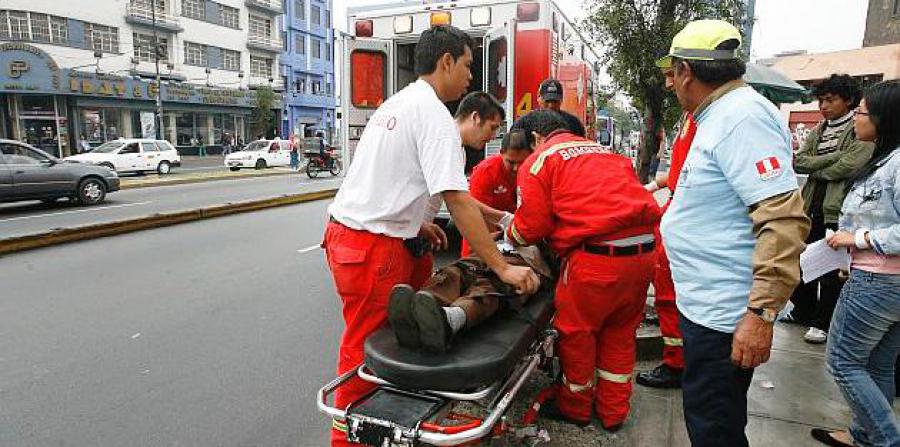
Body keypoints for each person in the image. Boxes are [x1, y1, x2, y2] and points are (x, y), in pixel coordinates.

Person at [323, 25, 539, 447]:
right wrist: (501, 267)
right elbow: (458, 200)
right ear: (446, 62)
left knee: (379, 340)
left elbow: (383, 182)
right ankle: (346, 439)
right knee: (365, 351)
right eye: (468, 65)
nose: (471, 77)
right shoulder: (436, 116)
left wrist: (414, 222)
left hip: (350, 236)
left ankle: (389, 426)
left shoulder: (398, 104)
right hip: (372, 248)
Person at [656, 20, 810, 446]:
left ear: (687, 72)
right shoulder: (721, 115)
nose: (671, 85)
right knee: (710, 417)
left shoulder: (742, 117)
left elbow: (782, 221)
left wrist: (761, 315)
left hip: (724, 315)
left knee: (715, 428)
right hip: (707, 308)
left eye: (673, 74)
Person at [506, 109, 661, 431]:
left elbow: (531, 227)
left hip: (595, 262)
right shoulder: (608, 154)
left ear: (536, 137)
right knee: (619, 332)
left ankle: (575, 407)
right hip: (644, 254)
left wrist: (510, 235)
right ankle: (613, 413)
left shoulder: (542, 160)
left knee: (578, 333)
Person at [810, 79, 900, 447]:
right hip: (879, 279)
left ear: (884, 118)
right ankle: (864, 434)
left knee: (843, 363)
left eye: (861, 112)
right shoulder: (884, 159)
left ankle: (885, 439)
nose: (855, 119)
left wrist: (857, 240)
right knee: (877, 365)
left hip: (879, 282)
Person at [789, 74, 874, 344]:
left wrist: (822, 166)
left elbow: (851, 164)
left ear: (847, 100)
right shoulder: (820, 129)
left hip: (837, 209)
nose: (823, 106)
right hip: (810, 205)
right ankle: (802, 311)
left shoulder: (858, 127)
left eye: (830, 100)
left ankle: (821, 323)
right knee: (801, 261)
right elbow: (799, 162)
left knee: (830, 268)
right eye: (821, 100)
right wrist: (834, 158)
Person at [413, 91, 508, 291]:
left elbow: (460, 199)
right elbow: (458, 204)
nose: (493, 137)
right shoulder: (445, 139)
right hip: (394, 239)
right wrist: (503, 267)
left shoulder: (458, 148)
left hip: (415, 237)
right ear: (475, 118)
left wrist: (419, 225)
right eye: (492, 127)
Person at [389, 241, 554, 352]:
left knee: (490, 287)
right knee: (452, 273)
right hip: (490, 251)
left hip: (525, 262)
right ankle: (415, 313)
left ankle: (449, 320)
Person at [636, 108, 697, 389]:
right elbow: (680, 170)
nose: (670, 81)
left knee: (669, 295)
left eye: (674, 72)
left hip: (685, 212)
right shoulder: (692, 115)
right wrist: (654, 184)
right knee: (667, 292)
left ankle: (677, 363)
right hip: (679, 206)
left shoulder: (704, 118)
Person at [461, 128, 532, 257]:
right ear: (501, 153)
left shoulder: (533, 171)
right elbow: (473, 210)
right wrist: (505, 220)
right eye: (511, 162)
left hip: (514, 240)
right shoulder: (486, 171)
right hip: (482, 239)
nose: (516, 168)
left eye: (522, 162)